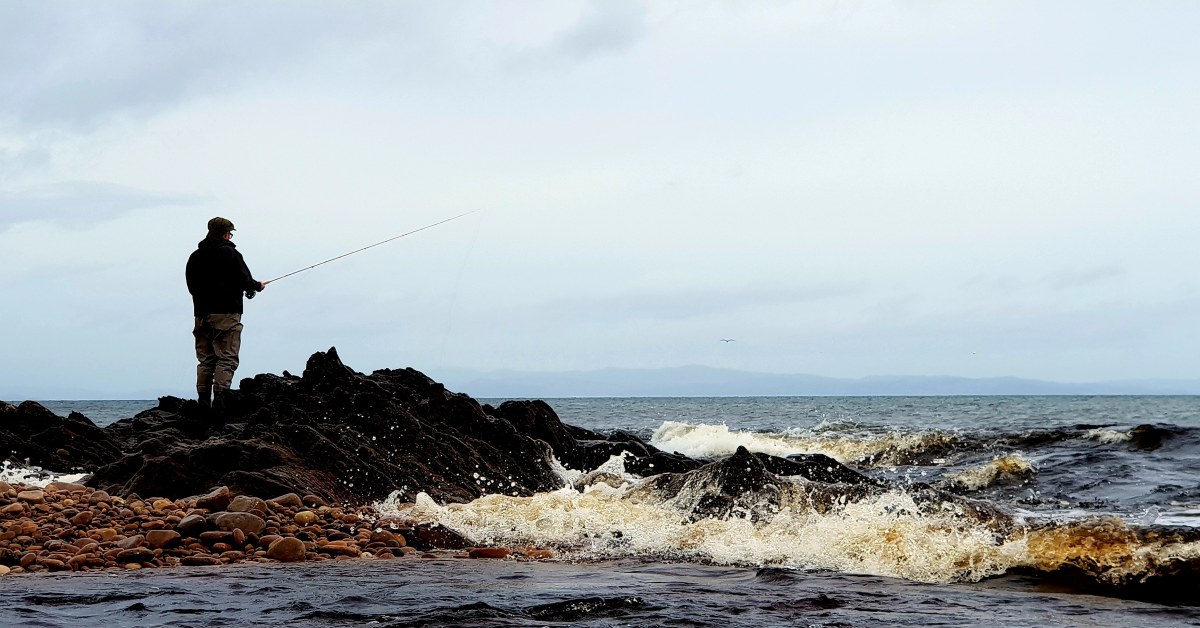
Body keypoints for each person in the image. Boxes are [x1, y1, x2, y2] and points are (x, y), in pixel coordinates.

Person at [185, 217, 266, 408]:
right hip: (227, 313)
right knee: (227, 358)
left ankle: (203, 402)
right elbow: (245, 280)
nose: (230, 236)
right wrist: (257, 286)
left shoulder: (195, 256)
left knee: (206, 360)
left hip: (201, 314)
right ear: (225, 234)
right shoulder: (230, 254)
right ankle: (220, 403)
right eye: (230, 233)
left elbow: (191, 287)